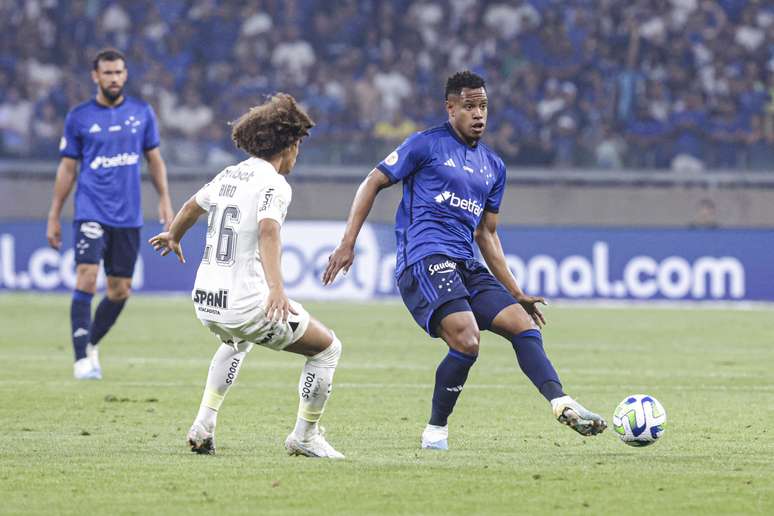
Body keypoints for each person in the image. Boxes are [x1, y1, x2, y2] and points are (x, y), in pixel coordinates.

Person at [323, 71, 607, 450]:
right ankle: (435, 431)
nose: (479, 114)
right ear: (451, 108)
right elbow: (372, 181)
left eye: (484, 106)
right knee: (468, 338)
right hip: (423, 258)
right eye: (470, 106)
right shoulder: (425, 145)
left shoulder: (494, 166)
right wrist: (347, 242)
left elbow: (487, 234)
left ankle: (561, 401)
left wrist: (515, 291)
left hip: (465, 264)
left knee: (522, 325)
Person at [149, 93, 345, 459]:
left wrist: (174, 234)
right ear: (288, 144)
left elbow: (192, 206)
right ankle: (305, 435)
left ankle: (203, 424)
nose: (297, 154)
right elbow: (269, 231)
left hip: (206, 300)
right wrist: (277, 289)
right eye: (298, 145)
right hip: (244, 304)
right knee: (327, 349)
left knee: (236, 342)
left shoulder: (229, 173)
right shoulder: (274, 184)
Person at [46, 48, 174, 380]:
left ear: (125, 75)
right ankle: (80, 361)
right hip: (90, 210)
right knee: (87, 276)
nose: (113, 78)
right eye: (107, 73)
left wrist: (165, 200)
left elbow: (154, 160)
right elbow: (67, 169)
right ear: (95, 76)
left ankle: (90, 344)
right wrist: (54, 214)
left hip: (128, 216)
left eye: (118, 72)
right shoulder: (79, 116)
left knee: (119, 290)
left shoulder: (142, 113)